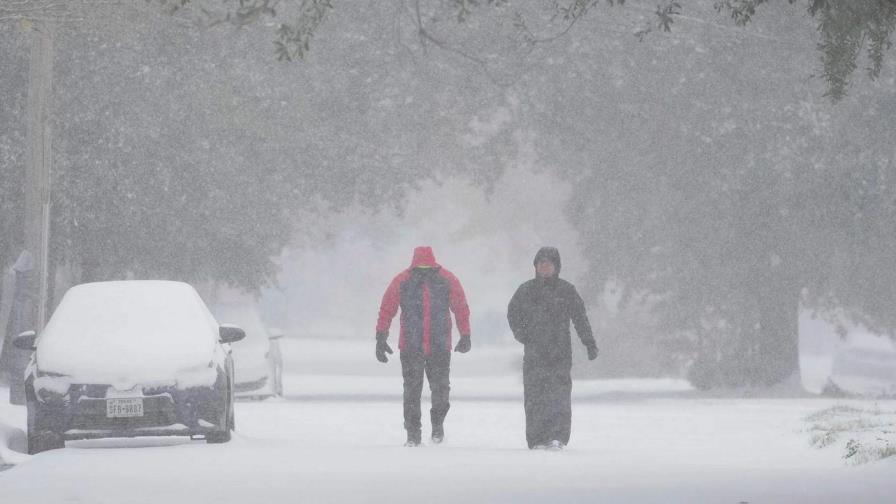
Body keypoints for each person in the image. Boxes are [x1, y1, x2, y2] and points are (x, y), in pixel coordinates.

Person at [375, 246, 471, 447]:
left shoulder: (410, 280)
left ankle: (428, 428)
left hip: (427, 345)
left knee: (424, 391)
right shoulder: (415, 280)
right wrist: (464, 334)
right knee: (428, 390)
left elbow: (387, 309)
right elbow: (387, 308)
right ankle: (418, 431)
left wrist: (381, 336)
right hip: (422, 346)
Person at [507, 246, 598, 450]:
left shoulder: (567, 290)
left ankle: (557, 436)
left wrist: (589, 343)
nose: (544, 266)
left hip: (560, 353)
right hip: (534, 354)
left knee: (559, 397)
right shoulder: (526, 290)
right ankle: (536, 438)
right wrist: (522, 335)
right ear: (535, 266)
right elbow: (512, 314)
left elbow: (580, 319)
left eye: (548, 263)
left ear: (556, 266)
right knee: (534, 397)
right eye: (540, 263)